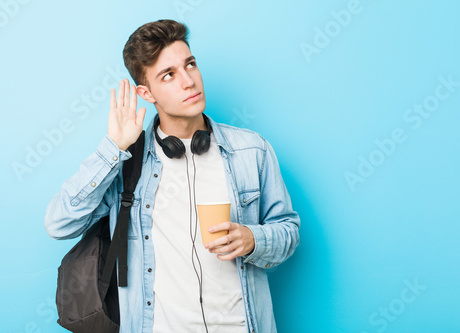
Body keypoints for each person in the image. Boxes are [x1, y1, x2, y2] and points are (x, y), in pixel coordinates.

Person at [44, 19, 300, 333]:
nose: (189, 81)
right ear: (146, 93)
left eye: (190, 65)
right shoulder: (127, 163)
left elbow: (288, 231)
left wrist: (252, 239)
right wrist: (113, 148)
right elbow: (58, 223)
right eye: (169, 75)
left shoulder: (252, 150)